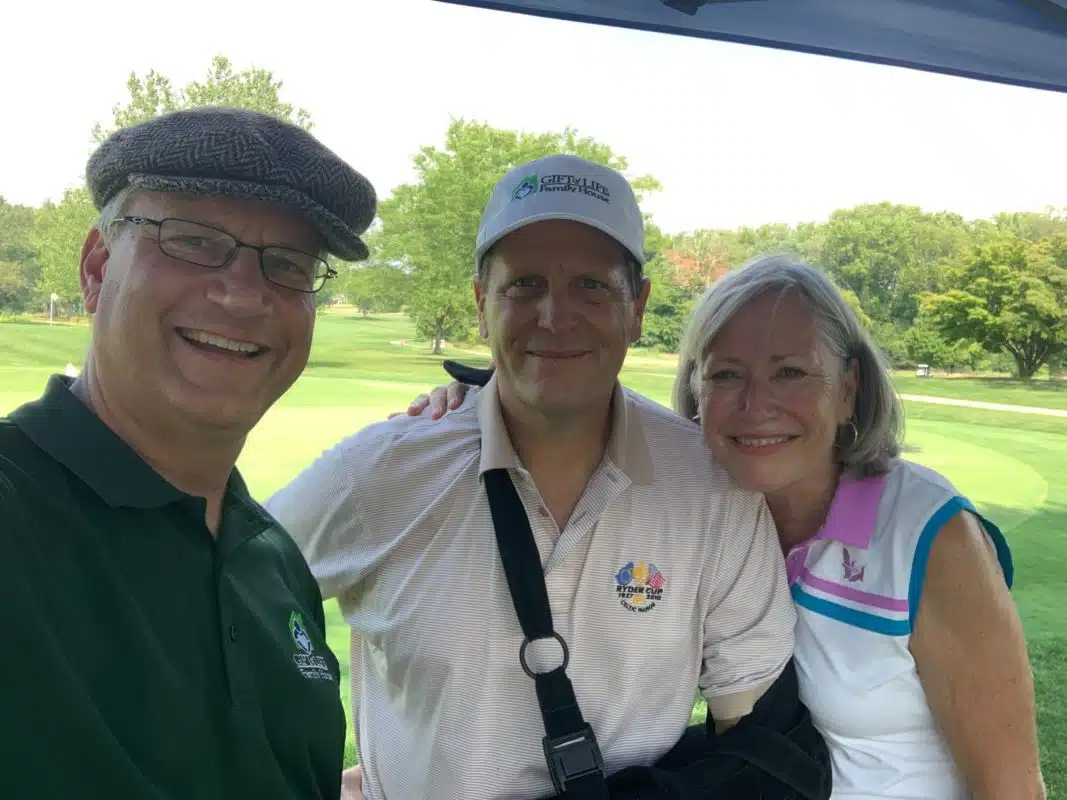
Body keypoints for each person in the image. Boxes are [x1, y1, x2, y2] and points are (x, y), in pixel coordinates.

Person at [264, 154, 802, 800]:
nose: (554, 315)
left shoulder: (712, 489)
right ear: (480, 304)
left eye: (591, 286)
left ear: (636, 308)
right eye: (523, 285)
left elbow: (749, 744)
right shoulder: (383, 470)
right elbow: (221, 608)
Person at [413, 253, 1047, 799]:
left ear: (849, 388)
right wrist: (486, 403)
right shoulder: (698, 517)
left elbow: (1013, 788)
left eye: (790, 372)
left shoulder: (927, 535)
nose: (755, 404)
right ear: (695, 391)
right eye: (726, 375)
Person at [0, 107, 377, 799]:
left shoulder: (272, 560)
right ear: (96, 267)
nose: (242, 294)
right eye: (194, 241)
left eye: (287, 265)